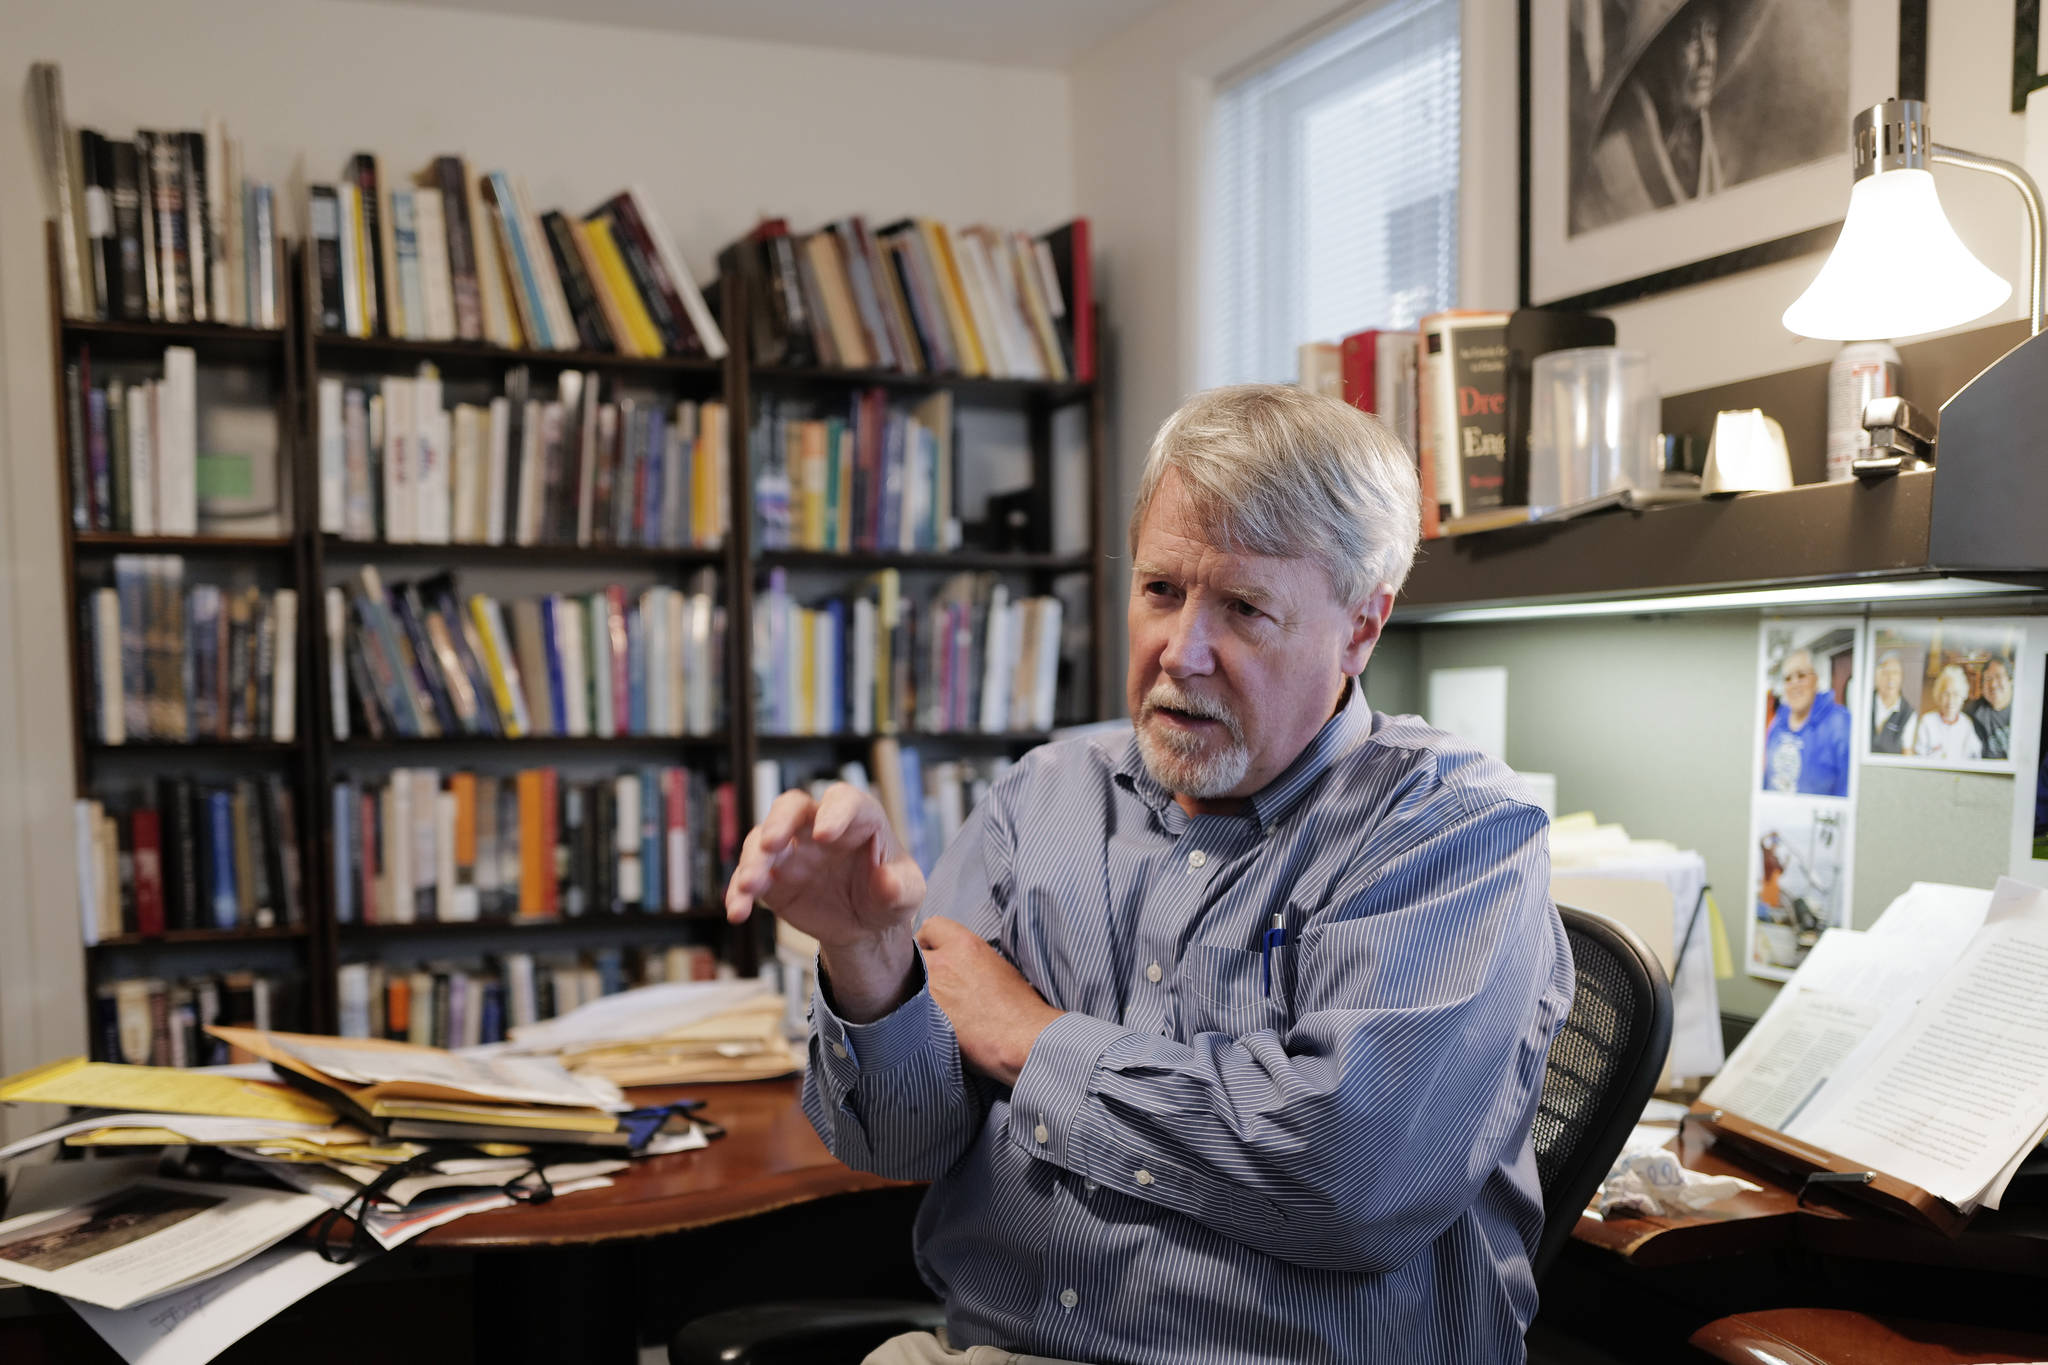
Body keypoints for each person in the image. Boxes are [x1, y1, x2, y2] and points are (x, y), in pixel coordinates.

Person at [728, 385, 1572, 1365]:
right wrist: (868, 960)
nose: (1181, 651)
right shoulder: (1042, 796)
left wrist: (1032, 1039)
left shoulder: (1451, 829)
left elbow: (1349, 1182)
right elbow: (901, 1143)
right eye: (1161, 590)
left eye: (1244, 608)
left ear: (1359, 627)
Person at [1762, 647, 1851, 797]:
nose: (1794, 684)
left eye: (1801, 675)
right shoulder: (1776, 724)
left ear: (1816, 680)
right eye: (1788, 679)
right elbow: (1766, 780)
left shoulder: (1840, 723)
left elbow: (1848, 789)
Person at [1910, 664, 1984, 762]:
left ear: (1962, 697)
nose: (1950, 700)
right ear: (1938, 695)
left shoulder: (1966, 723)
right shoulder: (1927, 721)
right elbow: (1918, 757)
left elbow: (1975, 757)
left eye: (1956, 694)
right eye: (1946, 694)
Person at [1965, 655, 2014, 760]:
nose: (1993, 684)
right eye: (1988, 679)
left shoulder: (2025, 711)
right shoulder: (1973, 711)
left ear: (2010, 680)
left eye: (1998, 676)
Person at [1870, 650, 1914, 755]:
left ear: (1901, 677)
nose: (1891, 678)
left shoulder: (1908, 712)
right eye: (1885, 673)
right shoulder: (1865, 702)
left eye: (1895, 673)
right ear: (1877, 677)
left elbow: (1907, 752)